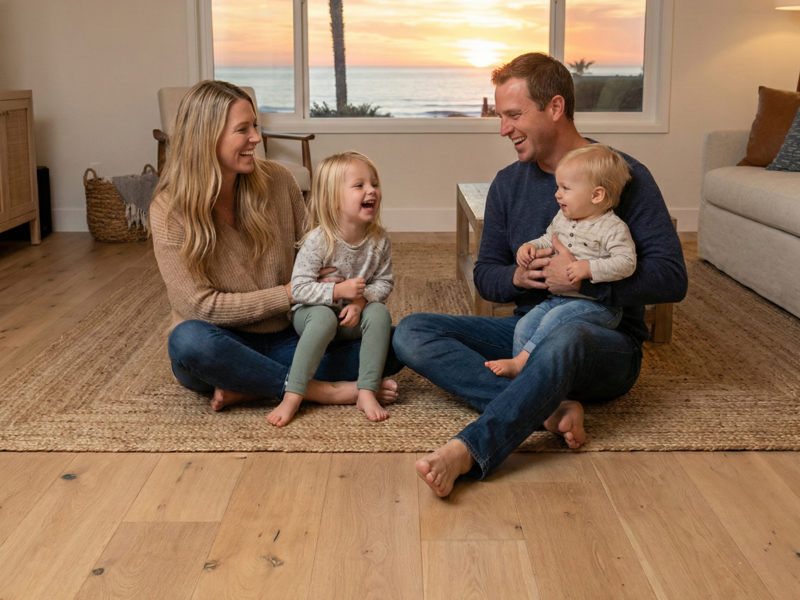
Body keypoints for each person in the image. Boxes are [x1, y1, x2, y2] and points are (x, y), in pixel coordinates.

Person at [392, 53, 687, 497]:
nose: (503, 128)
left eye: (513, 115)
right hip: (528, 331)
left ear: (554, 107)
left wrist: (583, 281)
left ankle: (470, 449)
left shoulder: (623, 175)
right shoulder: (508, 184)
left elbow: (672, 277)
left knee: (564, 339)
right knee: (412, 332)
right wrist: (518, 278)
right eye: (501, 115)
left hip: (599, 341)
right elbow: (486, 275)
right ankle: (548, 409)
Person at [149, 80, 401, 413]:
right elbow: (200, 308)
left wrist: (354, 297)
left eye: (255, 126)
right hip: (223, 340)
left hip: (288, 334)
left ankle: (253, 385)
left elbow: (322, 263)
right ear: (206, 138)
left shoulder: (279, 181)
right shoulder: (169, 210)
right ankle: (321, 391)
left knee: (394, 343)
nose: (256, 138)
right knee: (188, 343)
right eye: (243, 129)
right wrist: (288, 292)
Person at [485, 143, 636, 379]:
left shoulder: (613, 228)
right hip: (557, 299)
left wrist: (589, 268)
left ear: (596, 195)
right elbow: (549, 238)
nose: (557, 194)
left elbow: (626, 261)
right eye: (558, 186)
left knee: (554, 322)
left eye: (565, 188)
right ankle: (527, 381)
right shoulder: (564, 218)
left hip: (598, 305)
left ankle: (521, 364)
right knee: (525, 325)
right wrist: (532, 246)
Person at [268, 151, 394, 426]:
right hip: (312, 315)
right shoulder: (319, 240)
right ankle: (293, 394)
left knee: (380, 316)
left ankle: (366, 390)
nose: (371, 190)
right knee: (323, 317)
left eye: (374, 184)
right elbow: (299, 288)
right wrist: (336, 293)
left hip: (351, 318)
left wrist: (361, 302)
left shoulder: (379, 240)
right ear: (333, 198)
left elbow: (384, 282)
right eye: (359, 185)